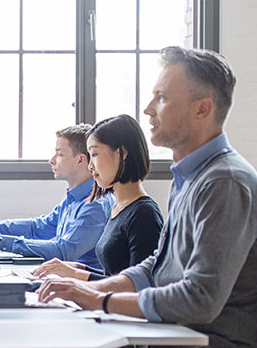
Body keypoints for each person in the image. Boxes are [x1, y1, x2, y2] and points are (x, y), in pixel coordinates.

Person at [39, 47, 257, 348]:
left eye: (162, 98)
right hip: (187, 340)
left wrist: (99, 302)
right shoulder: (192, 177)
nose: (149, 110)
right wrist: (94, 291)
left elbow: (200, 299)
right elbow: (157, 266)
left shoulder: (224, 183)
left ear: (202, 108)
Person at [0, 124, 113, 270]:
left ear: (81, 160)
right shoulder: (74, 199)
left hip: (81, 286)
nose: (52, 160)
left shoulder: (94, 206)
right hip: (63, 277)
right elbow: (38, 228)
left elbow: (63, 251)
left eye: (59, 154)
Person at [32, 114, 163, 281]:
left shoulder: (144, 214)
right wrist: (78, 268)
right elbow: (114, 274)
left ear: (121, 153)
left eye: (94, 154)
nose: (90, 165)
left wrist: (78, 275)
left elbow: (139, 286)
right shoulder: (118, 207)